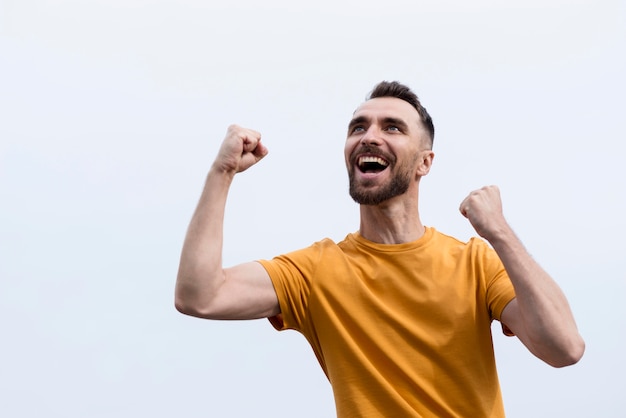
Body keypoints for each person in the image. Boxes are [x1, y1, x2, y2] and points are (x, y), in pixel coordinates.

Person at [175, 81, 585, 417]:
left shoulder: (475, 263)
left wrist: (498, 231)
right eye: (358, 128)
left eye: (392, 127)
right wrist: (222, 172)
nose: (369, 137)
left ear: (425, 162)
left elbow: (564, 348)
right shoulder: (315, 272)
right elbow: (200, 296)